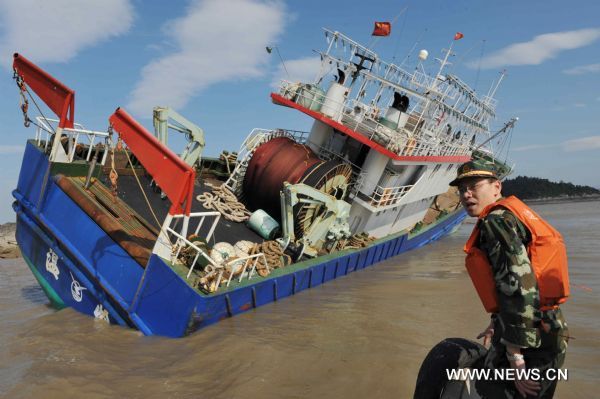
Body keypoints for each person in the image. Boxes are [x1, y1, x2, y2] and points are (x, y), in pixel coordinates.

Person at [449, 160, 570, 399]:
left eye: (474, 185)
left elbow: (519, 285)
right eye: (462, 189)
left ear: (496, 187)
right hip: (546, 326)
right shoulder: (510, 214)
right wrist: (497, 321)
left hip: (530, 338)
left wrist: (516, 358)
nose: (466, 194)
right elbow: (515, 279)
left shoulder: (496, 221)